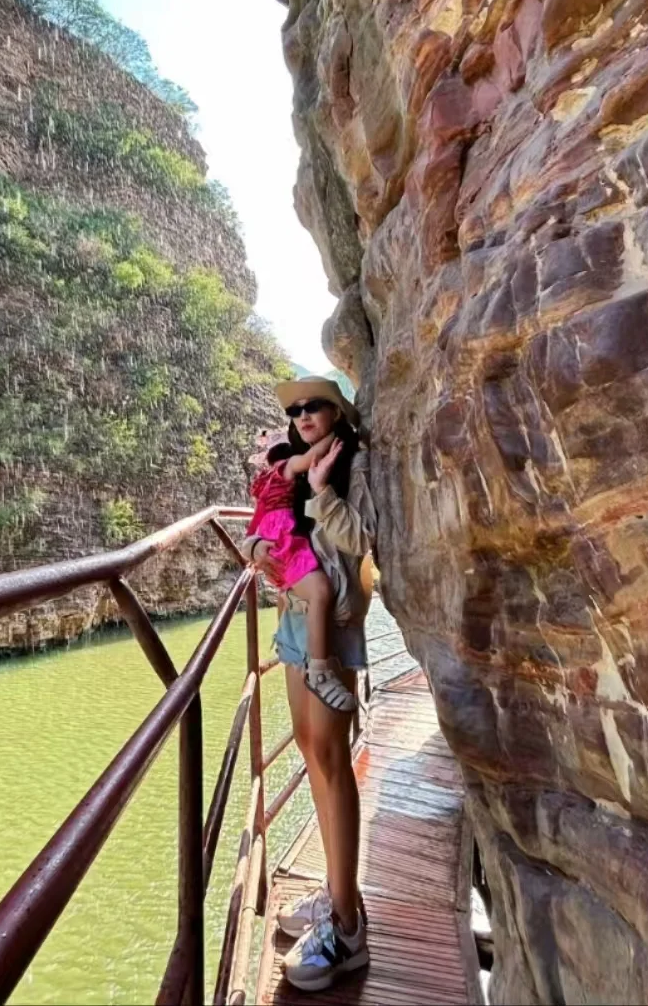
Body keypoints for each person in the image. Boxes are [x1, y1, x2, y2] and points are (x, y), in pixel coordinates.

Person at [242, 375, 376, 993]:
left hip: (334, 622)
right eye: (293, 410)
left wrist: (323, 492)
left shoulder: (353, 463)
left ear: (336, 411)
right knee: (307, 745)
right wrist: (259, 552)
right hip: (295, 620)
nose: (300, 416)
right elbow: (270, 525)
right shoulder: (293, 469)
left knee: (329, 756)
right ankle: (336, 888)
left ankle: (348, 929)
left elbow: (361, 542)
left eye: (311, 406)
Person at [247, 434, 357, 712]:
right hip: (285, 543)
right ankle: (318, 672)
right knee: (320, 590)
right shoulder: (285, 468)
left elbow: (253, 528)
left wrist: (254, 546)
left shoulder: (265, 485)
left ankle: (314, 665)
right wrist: (336, 435)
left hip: (275, 545)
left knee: (314, 592)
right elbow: (307, 460)